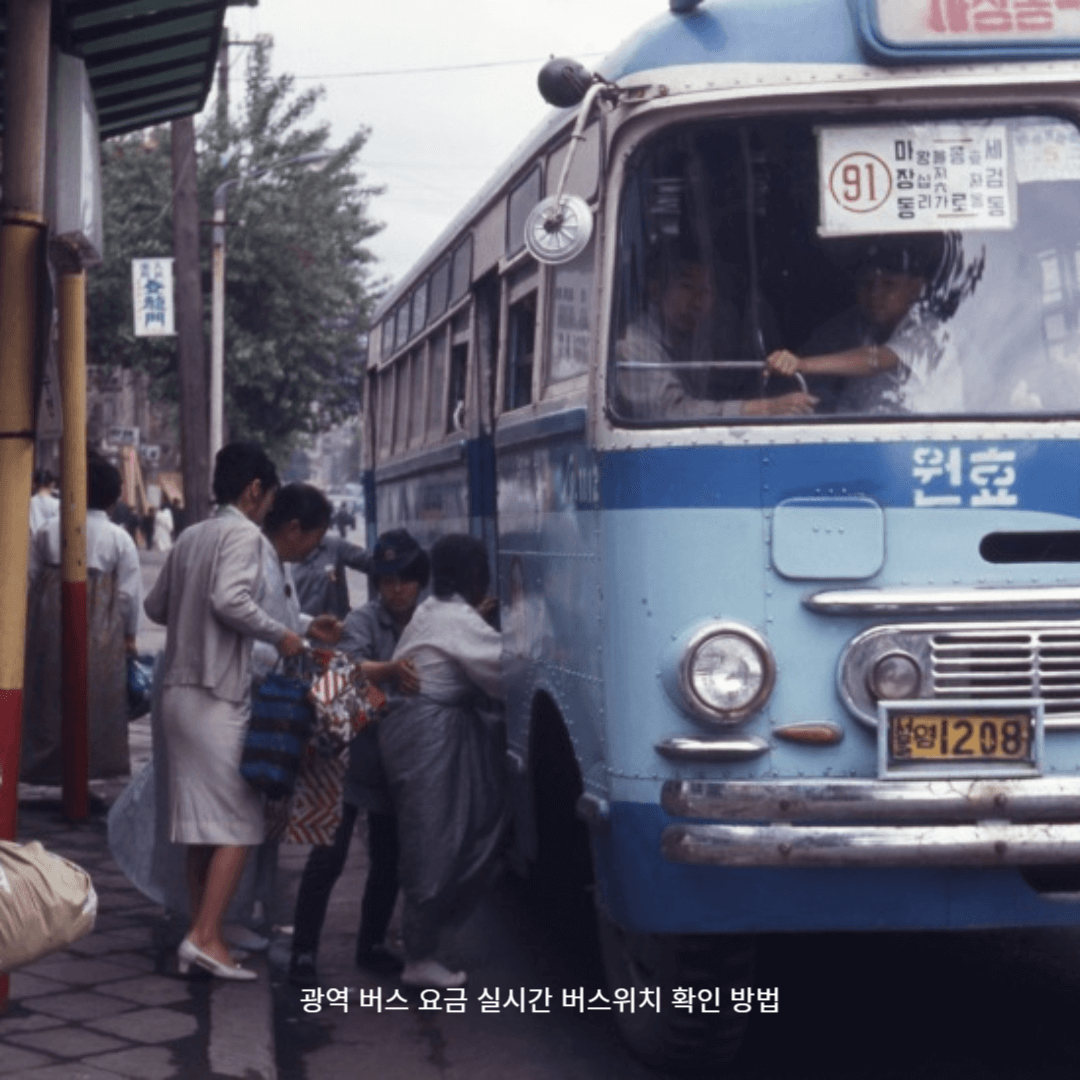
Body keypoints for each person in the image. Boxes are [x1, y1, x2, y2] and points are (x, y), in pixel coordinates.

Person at [143, 442, 308, 981]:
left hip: (177, 694)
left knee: (201, 826)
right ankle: (204, 937)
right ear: (254, 490)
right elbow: (229, 599)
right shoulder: (244, 535)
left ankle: (204, 932)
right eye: (269, 499)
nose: (268, 510)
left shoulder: (192, 535)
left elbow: (155, 607)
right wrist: (280, 633)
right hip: (216, 695)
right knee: (241, 823)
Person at [289, 528, 429, 986]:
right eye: (387, 581)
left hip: (397, 760)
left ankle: (371, 945)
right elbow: (342, 671)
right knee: (327, 857)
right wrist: (390, 672)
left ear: (420, 580)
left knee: (388, 859)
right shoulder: (364, 619)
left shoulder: (430, 619)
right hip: (349, 754)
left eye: (405, 580)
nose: (396, 590)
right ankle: (303, 952)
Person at [379, 534, 505, 989]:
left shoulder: (436, 609)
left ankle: (421, 940)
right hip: (427, 732)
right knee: (434, 841)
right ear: (474, 575)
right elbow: (505, 672)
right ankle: (418, 957)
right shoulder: (455, 619)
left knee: (435, 833)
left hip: (416, 728)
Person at [22, 457, 143, 782]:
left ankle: (44, 764)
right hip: (102, 629)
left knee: (48, 694)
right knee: (95, 696)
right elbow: (128, 596)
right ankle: (92, 763)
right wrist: (129, 636)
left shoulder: (48, 530)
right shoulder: (119, 539)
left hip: (49, 623)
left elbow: (30, 579)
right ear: (114, 498)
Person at [614, 252, 818, 420]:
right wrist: (763, 408)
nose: (697, 301)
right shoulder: (632, 346)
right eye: (687, 286)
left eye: (706, 291)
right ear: (655, 291)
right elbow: (669, 413)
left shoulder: (700, 338)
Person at [765, 239, 938, 414]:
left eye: (888, 284)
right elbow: (812, 356)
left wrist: (801, 364)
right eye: (866, 284)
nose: (875, 294)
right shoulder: (850, 324)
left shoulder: (930, 328)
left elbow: (875, 360)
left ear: (916, 288)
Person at [292, 532, 370, 618]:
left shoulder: (334, 545)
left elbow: (370, 561)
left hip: (337, 622)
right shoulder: (287, 552)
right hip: (303, 624)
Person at [28, 468, 58, 535]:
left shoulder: (29, 502)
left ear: (35, 484)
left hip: (33, 540)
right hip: (51, 540)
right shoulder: (57, 504)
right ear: (52, 484)